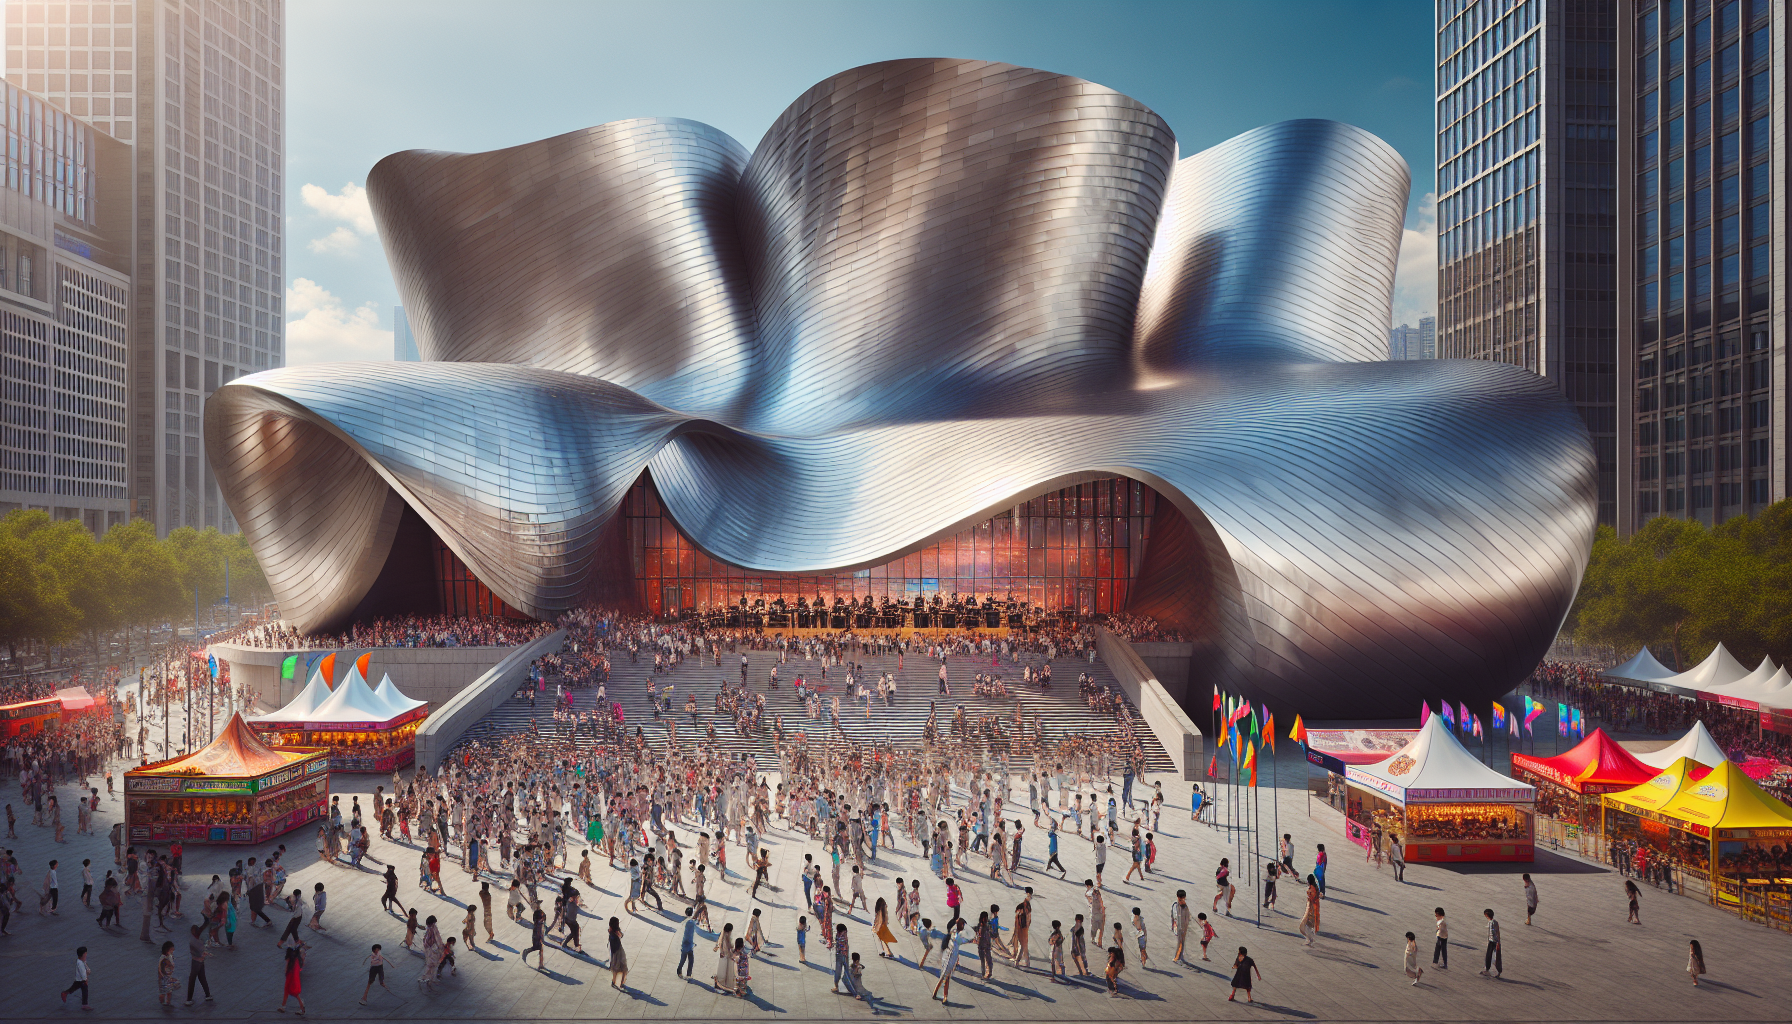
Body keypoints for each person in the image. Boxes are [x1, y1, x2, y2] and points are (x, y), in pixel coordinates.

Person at [931, 919, 962, 1002]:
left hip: (948, 957)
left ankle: (942, 995)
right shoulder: (956, 936)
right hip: (949, 958)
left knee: (945, 977)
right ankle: (937, 994)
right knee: (944, 976)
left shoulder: (953, 932)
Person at [185, 924, 213, 1004]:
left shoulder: (193, 941)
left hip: (195, 962)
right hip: (200, 962)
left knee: (194, 979)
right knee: (200, 978)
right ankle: (207, 995)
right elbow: (202, 951)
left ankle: (189, 999)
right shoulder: (199, 940)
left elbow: (198, 952)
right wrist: (205, 953)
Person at [60, 945, 91, 1010]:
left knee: (79, 990)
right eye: (85, 953)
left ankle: (84, 1004)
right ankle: (84, 1005)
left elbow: (86, 968)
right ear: (83, 954)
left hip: (81, 980)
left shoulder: (82, 961)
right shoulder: (80, 963)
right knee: (81, 990)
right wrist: (85, 980)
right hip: (81, 980)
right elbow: (82, 973)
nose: (86, 954)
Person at [279, 945, 306, 1014]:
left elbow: (287, 963)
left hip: (290, 972)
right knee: (291, 990)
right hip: (294, 972)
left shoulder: (289, 952)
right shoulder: (297, 956)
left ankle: (300, 1005)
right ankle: (284, 1006)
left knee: (289, 989)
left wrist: (285, 971)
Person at [676, 907, 698, 977]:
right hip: (688, 944)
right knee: (690, 960)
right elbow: (696, 923)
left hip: (686, 943)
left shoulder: (686, 921)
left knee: (684, 959)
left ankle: (680, 972)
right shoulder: (691, 922)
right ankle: (687, 974)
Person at [607, 917, 628, 990]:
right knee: (621, 968)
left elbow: (621, 935)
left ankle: (616, 982)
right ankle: (619, 983)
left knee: (619, 968)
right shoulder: (613, 934)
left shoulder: (612, 932)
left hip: (616, 952)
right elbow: (620, 937)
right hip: (618, 953)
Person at [1480, 908, 1502, 978]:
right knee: (1496, 956)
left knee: (1489, 956)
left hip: (1492, 942)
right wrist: (1498, 941)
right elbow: (1498, 932)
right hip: (1496, 941)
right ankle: (1497, 971)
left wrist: (1493, 941)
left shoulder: (1491, 923)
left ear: (1486, 915)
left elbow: (1493, 932)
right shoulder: (1495, 922)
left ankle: (1488, 970)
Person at [1299, 875, 1320, 946]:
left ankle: (1310, 939)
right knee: (1308, 925)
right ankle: (1310, 939)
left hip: (1311, 909)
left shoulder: (1312, 890)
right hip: (1314, 908)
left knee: (1306, 924)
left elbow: (1311, 900)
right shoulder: (1315, 888)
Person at [157, 941, 178, 1009]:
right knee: (163, 991)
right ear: (167, 950)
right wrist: (168, 972)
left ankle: (168, 1002)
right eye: (171, 949)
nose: (173, 950)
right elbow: (161, 969)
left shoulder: (170, 956)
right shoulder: (163, 958)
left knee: (169, 991)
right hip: (163, 977)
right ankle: (162, 1001)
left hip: (168, 977)